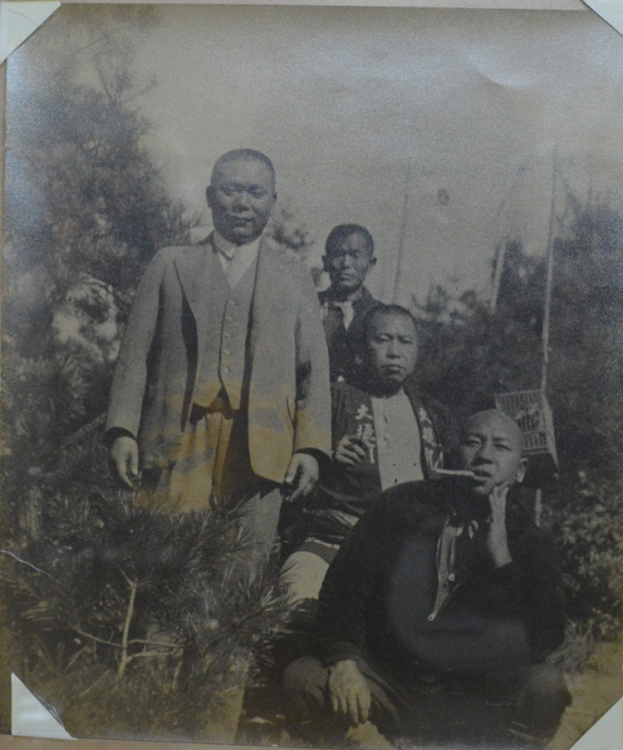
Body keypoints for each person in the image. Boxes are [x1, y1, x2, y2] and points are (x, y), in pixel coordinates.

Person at [284, 409, 571, 747]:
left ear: (520, 470)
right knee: (304, 680)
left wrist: (502, 559)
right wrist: (343, 663)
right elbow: (342, 590)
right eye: (473, 443)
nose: (484, 457)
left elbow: (542, 639)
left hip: (474, 699)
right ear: (454, 455)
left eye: (501, 447)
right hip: (392, 681)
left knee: (546, 687)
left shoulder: (529, 539)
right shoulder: (400, 505)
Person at [105, 148, 331, 575]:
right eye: (230, 190)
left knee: (239, 576)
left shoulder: (294, 276)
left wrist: (310, 447)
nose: (242, 203)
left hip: (261, 447)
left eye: (255, 192)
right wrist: (122, 431)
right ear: (210, 196)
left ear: (272, 201)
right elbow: (134, 356)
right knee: (165, 569)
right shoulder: (171, 264)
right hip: (176, 438)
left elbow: (313, 373)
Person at [281, 303, 456, 602]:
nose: (394, 351)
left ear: (416, 352)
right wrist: (327, 455)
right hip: (336, 538)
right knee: (297, 589)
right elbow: (293, 463)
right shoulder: (334, 400)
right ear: (363, 348)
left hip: (409, 546)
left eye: (405, 341)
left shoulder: (435, 415)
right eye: (383, 339)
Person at [318, 224, 378, 383]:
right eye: (338, 254)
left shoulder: (381, 316)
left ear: (370, 264)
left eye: (355, 255)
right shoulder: (307, 306)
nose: (346, 263)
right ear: (325, 262)